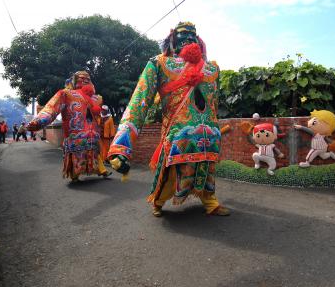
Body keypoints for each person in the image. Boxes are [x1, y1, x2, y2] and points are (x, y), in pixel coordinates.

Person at [108, 21, 229, 217]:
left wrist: (214, 126)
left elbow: (214, 102)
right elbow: (139, 101)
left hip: (208, 132)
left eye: (193, 35)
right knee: (172, 172)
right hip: (177, 132)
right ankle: (158, 201)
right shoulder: (159, 63)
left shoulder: (212, 69)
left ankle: (210, 201)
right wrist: (121, 148)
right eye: (183, 35)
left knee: (208, 169)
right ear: (173, 39)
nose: (189, 39)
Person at [27, 71, 111, 182]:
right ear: (75, 80)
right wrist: (39, 121)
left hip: (92, 134)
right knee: (75, 154)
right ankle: (74, 175)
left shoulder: (96, 99)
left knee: (95, 153)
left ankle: (102, 170)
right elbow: (51, 108)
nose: (85, 80)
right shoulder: (66, 94)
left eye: (88, 78)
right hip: (75, 134)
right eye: (82, 78)